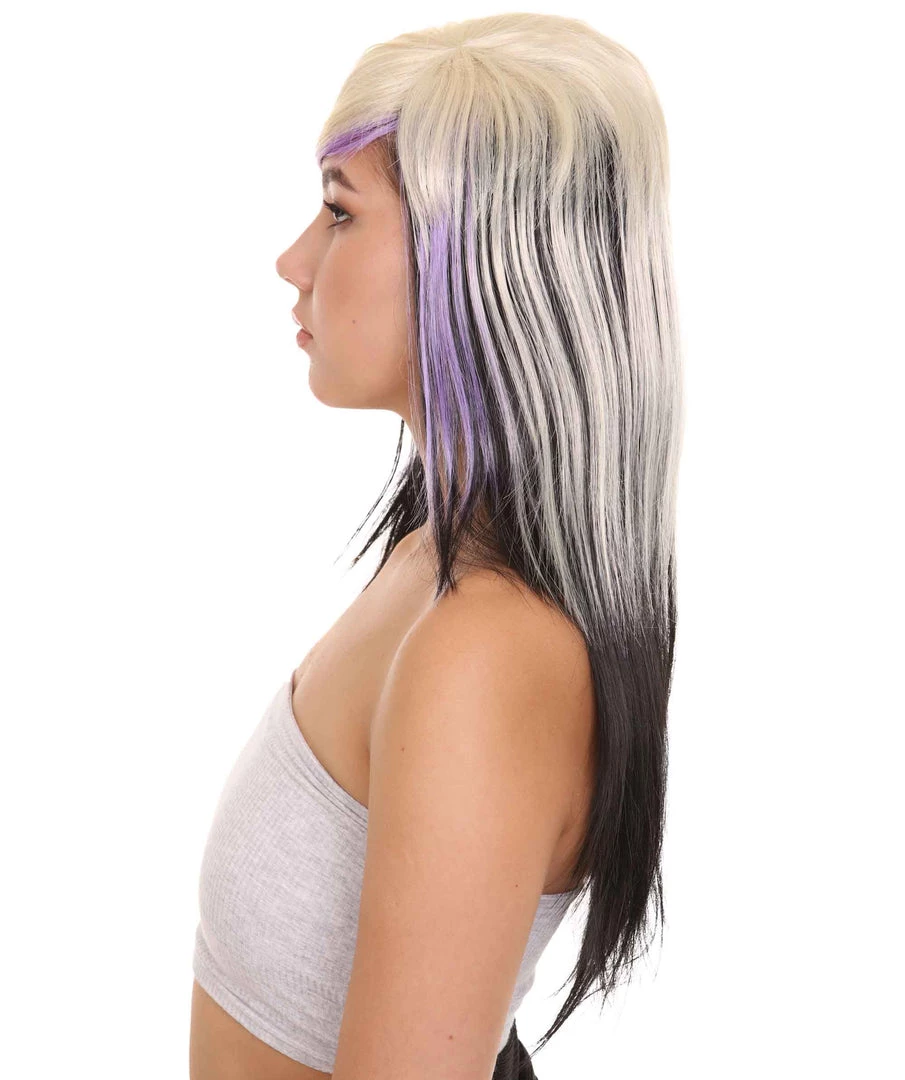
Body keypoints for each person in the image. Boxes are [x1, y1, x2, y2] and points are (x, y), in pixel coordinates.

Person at [190, 12, 683, 1079]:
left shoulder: (482, 649)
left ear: (481, 261)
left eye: (339, 213)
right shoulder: (433, 557)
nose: (292, 260)